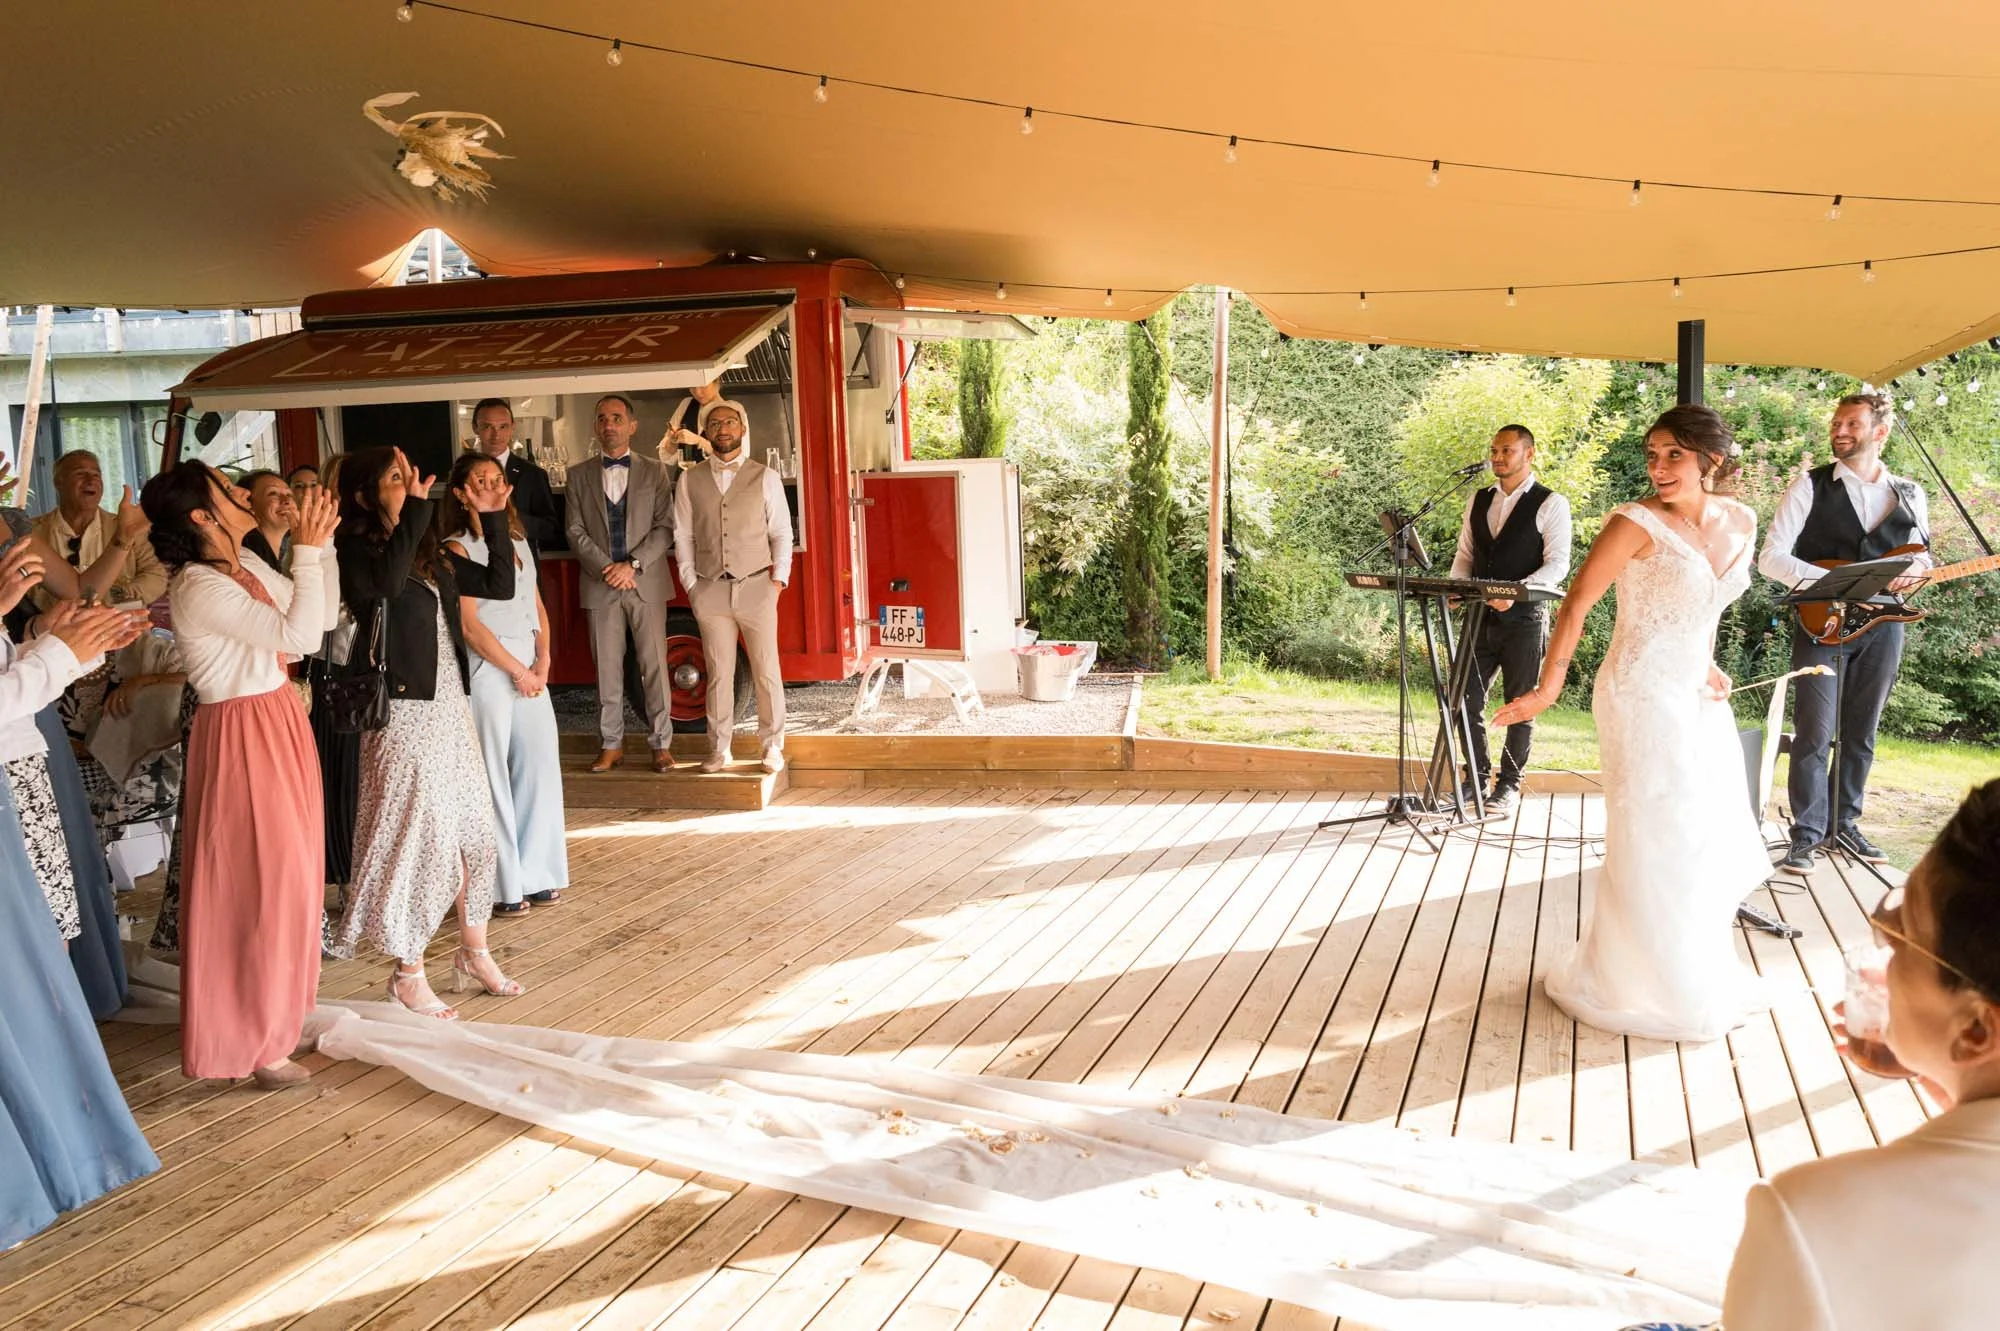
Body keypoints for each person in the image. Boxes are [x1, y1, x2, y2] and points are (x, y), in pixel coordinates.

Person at [1623, 779, 2000, 1331]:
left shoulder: (1811, 1217)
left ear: (1974, 1033)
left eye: (1901, 937)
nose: (1880, 934)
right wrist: (1948, 1085)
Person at [1494, 404, 1771, 1042]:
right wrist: (1546, 688)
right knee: (1656, 832)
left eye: (1675, 454)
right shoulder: (1634, 522)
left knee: (1699, 830)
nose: (1659, 466)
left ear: (1712, 461)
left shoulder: (1742, 520)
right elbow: (1576, 602)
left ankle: (1693, 970)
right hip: (1639, 690)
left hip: (1695, 696)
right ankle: (1635, 982)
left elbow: (1708, 608)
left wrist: (1707, 664)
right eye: (1652, 454)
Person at [141, 461, 338, 1087]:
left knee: (292, 875)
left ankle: (276, 1017)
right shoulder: (198, 585)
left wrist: (321, 545)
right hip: (242, 732)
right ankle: (247, 1038)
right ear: (203, 516)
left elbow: (323, 620)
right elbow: (300, 635)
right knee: (258, 883)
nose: (242, 493)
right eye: (227, 491)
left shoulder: (243, 567)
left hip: (276, 718)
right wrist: (306, 553)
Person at [331, 445, 523, 1018]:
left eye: (409, 474)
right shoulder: (354, 549)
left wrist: (491, 516)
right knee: (417, 838)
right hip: (401, 710)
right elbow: (385, 588)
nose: (411, 481)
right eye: (396, 477)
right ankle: (407, 972)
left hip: (448, 708)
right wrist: (414, 511)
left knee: (473, 832)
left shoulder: (427, 551)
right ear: (366, 495)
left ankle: (473, 950)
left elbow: (499, 584)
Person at [0, 602, 162, 1249]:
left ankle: (62, 1136)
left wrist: (69, 645)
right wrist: (56, 652)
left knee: (46, 966)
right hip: (11, 780)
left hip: (20, 779)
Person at [1759, 391, 1930, 875]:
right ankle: (1806, 836)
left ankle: (1844, 825)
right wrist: (1834, 584)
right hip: (1822, 622)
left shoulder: (1911, 493)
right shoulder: (1810, 486)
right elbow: (1771, 557)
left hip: (1884, 626)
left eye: (1852, 423)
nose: (1840, 430)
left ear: (1880, 432)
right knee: (1814, 732)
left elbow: (1923, 556)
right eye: (1837, 422)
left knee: (1862, 733)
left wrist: (1915, 570)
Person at [440, 454, 569, 916]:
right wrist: (517, 669)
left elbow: (537, 605)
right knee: (492, 776)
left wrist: (545, 659)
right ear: (460, 493)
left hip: (532, 663)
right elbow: (470, 626)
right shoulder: (456, 548)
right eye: (481, 480)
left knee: (538, 769)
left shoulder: (516, 538)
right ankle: (501, 884)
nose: (492, 485)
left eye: (497, 478)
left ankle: (538, 873)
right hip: (489, 666)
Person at [1446, 424, 1573, 810]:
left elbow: (1558, 564)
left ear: (1529, 454)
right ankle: (1477, 778)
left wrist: (1515, 594)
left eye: (1506, 451)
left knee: (1520, 703)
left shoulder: (1552, 503)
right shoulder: (1478, 499)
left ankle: (1510, 785)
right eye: (1494, 451)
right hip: (1479, 618)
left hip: (1525, 621)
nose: (1497, 458)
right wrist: (1458, 587)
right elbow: (1466, 555)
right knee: (1463, 698)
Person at [672, 399, 792, 774]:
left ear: (742, 429)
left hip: (757, 585)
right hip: (710, 589)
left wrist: (777, 581)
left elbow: (782, 534)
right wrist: (691, 585)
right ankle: (719, 748)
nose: (723, 429)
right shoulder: (689, 479)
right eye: (715, 424)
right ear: (705, 433)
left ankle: (772, 746)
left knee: (766, 670)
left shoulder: (766, 476)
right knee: (719, 672)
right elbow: (683, 536)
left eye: (730, 422)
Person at [565, 393, 675, 773]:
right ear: (595, 427)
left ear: (632, 425)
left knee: (654, 665)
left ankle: (661, 743)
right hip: (600, 584)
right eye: (601, 419)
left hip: (645, 581)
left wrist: (633, 564)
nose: (608, 424)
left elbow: (665, 527)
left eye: (615, 417)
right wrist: (606, 568)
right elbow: (574, 530)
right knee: (606, 669)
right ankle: (611, 743)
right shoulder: (577, 475)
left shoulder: (655, 471)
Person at [30, 450, 168, 611]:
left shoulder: (128, 527)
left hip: (122, 628)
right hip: (52, 631)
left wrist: (113, 599)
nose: (91, 481)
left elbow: (156, 576)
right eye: (80, 474)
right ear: (58, 482)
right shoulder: (31, 533)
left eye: (96, 475)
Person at [468, 398, 560, 552]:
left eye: (503, 426)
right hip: (473, 561)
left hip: (521, 566)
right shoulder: (464, 472)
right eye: (487, 426)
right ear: (475, 428)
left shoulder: (533, 474)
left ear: (512, 427)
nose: (496, 434)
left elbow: (549, 529)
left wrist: (510, 518)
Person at [238, 469, 296, 573]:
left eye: (288, 494)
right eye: (273, 493)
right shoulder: (248, 558)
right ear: (248, 505)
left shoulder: (286, 550)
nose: (286, 501)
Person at [663, 378, 725, 466]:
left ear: (716, 381)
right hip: (686, 476)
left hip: (713, 477)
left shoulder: (732, 412)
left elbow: (736, 457)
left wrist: (699, 441)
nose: (698, 392)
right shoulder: (686, 404)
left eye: (703, 386)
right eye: (692, 386)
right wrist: (672, 440)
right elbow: (666, 457)